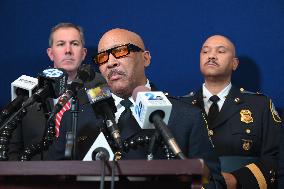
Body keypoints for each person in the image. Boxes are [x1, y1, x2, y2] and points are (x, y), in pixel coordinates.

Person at [48, 28, 226, 189]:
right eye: (103, 57)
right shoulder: (77, 117)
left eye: (120, 51)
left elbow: (214, 182)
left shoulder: (186, 116)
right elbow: (51, 178)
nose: (110, 63)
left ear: (146, 58)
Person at [181, 35, 282, 189]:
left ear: (234, 64)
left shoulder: (260, 106)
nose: (211, 56)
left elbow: (275, 158)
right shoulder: (181, 106)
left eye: (221, 51)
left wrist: (237, 179)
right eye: (205, 52)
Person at [8, 22, 88, 160]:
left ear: (84, 53)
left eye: (74, 43)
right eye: (61, 44)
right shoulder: (26, 94)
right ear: (51, 53)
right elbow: (11, 151)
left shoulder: (98, 93)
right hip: (34, 178)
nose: (68, 50)